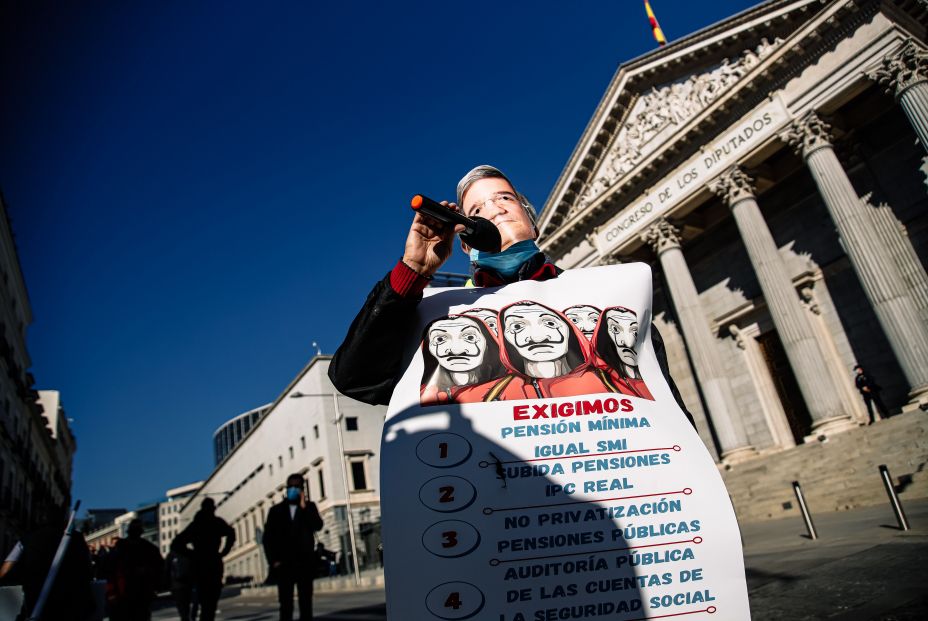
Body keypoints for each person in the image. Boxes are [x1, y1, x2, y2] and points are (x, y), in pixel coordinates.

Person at [328, 164, 693, 423]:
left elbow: (664, 403)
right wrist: (414, 271)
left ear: (532, 221)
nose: (495, 207)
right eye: (477, 210)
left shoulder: (605, 300)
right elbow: (355, 378)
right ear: (467, 243)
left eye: (505, 197)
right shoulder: (441, 321)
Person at [0, 514, 96, 621]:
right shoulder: (77, 539)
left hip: (36, 606)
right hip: (73, 607)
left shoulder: (27, 538)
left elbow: (5, 571)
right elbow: (89, 570)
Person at [262, 473, 324, 621]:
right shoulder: (276, 510)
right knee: (285, 605)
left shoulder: (309, 507)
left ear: (302, 489)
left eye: (297, 487)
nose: (293, 489)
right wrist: (273, 561)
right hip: (284, 564)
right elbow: (267, 538)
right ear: (286, 488)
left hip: (304, 563)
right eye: (290, 486)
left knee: (306, 604)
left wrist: (304, 507)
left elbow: (318, 525)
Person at [172, 498, 235, 621]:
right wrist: (224, 551)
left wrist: (192, 554)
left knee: (205, 601)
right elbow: (231, 533)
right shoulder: (214, 522)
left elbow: (176, 544)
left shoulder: (197, 525)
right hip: (211, 563)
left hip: (201, 564)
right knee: (210, 603)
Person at [420, 314, 504, 404]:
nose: (456, 351)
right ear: (428, 348)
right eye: (440, 339)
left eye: (470, 337)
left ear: (487, 343)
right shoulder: (424, 394)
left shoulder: (509, 386)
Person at [108, 518, 164, 621]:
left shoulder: (121, 547)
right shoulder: (148, 548)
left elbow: (110, 571)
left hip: (131, 592)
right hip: (131, 592)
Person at [164, 546, 198, 621]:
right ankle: (190, 617)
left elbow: (166, 570)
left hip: (179, 586)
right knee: (188, 607)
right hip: (185, 585)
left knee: (183, 609)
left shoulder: (171, 555)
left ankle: (187, 617)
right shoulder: (189, 553)